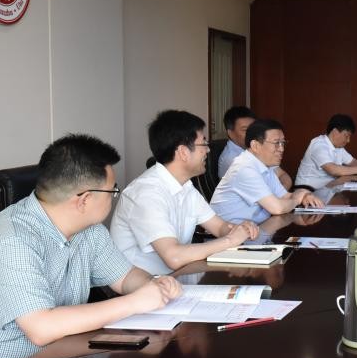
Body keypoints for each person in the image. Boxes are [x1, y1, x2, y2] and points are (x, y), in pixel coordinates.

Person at [0, 134, 182, 358]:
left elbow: (125, 277)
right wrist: (135, 302)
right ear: (84, 200)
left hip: (53, 355)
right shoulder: (12, 241)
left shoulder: (90, 231)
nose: (113, 197)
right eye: (112, 191)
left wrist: (153, 284)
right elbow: (41, 328)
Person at [110, 110, 259, 275]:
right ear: (183, 152)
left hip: (177, 277)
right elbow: (174, 257)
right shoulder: (146, 193)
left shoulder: (185, 186)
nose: (208, 150)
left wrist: (239, 229)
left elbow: (219, 227)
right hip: (142, 285)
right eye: (203, 143)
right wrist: (230, 240)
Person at [211, 118, 323, 223]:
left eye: (283, 143)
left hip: (255, 228)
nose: (281, 149)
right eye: (276, 143)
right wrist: (297, 200)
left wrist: (304, 195)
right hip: (230, 233)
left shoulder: (265, 166)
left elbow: (284, 196)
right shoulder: (244, 168)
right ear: (255, 145)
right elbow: (277, 208)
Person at [217, 106, 293, 189]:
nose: (252, 133)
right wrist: (281, 192)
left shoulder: (255, 148)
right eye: (245, 130)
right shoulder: (232, 159)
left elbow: (283, 175)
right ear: (230, 133)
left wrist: (281, 191)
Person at [294, 114, 357, 190]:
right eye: (346, 136)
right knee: (344, 186)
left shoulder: (338, 147)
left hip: (326, 188)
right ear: (335, 131)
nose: (348, 140)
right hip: (307, 190)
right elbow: (333, 170)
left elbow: (355, 163)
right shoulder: (319, 145)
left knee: (345, 186)